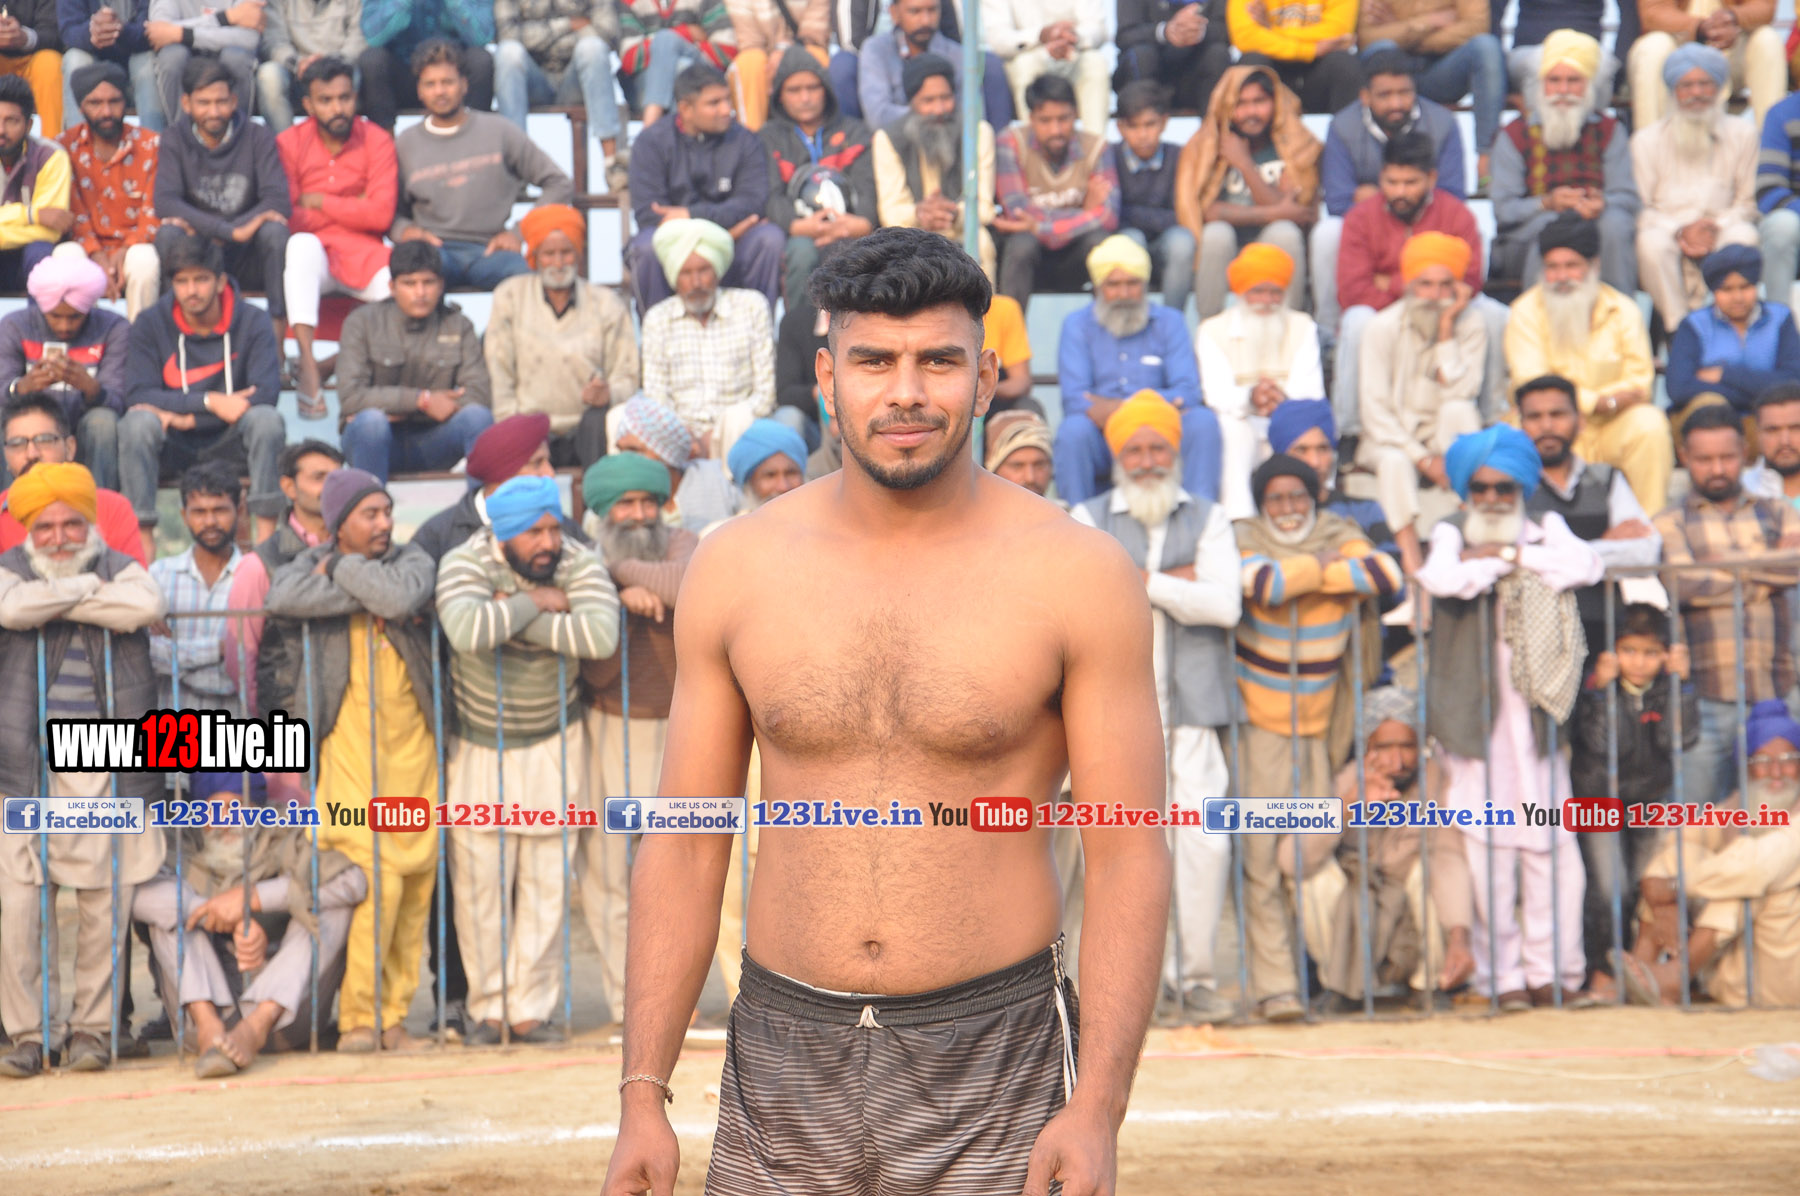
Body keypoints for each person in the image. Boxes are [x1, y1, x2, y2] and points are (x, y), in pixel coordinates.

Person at [599, 228, 1171, 1196]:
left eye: (938, 361)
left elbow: (1127, 852)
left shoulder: (1078, 575)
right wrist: (641, 1094)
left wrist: (1099, 1106)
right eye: (874, 361)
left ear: (986, 377)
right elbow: (688, 842)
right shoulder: (738, 567)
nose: (906, 392)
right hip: (783, 1056)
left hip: (998, 1058)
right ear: (827, 376)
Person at [1415, 425, 1602, 1010]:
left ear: (1521, 487)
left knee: (1552, 851)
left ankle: (1556, 973)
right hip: (1477, 721)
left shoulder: (1545, 526)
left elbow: (1585, 566)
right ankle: (1502, 979)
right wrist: (1507, 565)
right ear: (1466, 490)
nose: (1493, 498)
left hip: (1539, 717)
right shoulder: (1450, 530)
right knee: (1488, 853)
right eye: (1482, 488)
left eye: (1504, 488)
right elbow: (1442, 577)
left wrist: (1505, 556)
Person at [1068, 392, 1239, 1025]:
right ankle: (1138, 988)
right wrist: (1178, 581)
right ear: (1118, 455)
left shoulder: (1210, 518)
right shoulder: (1086, 518)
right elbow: (1084, 604)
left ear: (1175, 452)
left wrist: (1142, 583)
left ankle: (1195, 980)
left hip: (1192, 714)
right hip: (1116, 724)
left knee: (1204, 845)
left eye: (1157, 448)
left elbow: (1225, 606)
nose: (1146, 460)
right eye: (1134, 449)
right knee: (1127, 851)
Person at [258, 467, 440, 1053]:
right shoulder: (300, 567)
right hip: (349, 758)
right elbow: (283, 595)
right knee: (375, 883)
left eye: (387, 512)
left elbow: (400, 595)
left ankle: (393, 1019)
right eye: (370, 514)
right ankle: (361, 1019)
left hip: (417, 755)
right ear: (339, 524)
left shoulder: (413, 561)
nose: (385, 523)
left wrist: (338, 568)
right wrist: (362, 581)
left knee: (415, 887)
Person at [437, 474, 619, 1045]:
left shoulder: (577, 561)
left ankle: (529, 1012)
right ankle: (489, 1011)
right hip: (478, 745)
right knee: (480, 886)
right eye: (534, 532)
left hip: (552, 741)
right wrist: (539, 605)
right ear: (505, 534)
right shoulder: (464, 562)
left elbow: (599, 637)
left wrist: (512, 615)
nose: (549, 542)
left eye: (552, 529)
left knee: (546, 883)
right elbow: (466, 629)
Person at [0, 463, 164, 1078]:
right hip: (24, 767)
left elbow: (146, 603)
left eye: (72, 524)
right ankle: (29, 1036)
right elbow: (12, 609)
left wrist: (61, 598)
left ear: (89, 522)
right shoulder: (11, 570)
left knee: (103, 903)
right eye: (46, 527)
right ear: (28, 530)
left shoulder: (120, 566)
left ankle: (92, 1031)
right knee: (23, 911)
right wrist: (89, 595)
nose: (60, 537)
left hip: (100, 763)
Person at [1235, 454, 1399, 1011]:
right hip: (1261, 730)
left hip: (1322, 731)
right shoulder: (1246, 534)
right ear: (1263, 504)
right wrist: (1320, 571)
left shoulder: (1336, 530)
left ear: (1314, 497)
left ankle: (1330, 980)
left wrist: (1300, 574)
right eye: (1276, 498)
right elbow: (1261, 583)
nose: (1288, 508)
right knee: (1260, 861)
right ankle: (1276, 988)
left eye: (1297, 496)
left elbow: (1384, 575)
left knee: (1308, 857)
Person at [132, 771, 368, 1077]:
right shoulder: (179, 839)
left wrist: (254, 898)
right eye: (214, 810)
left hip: (285, 1020)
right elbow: (133, 894)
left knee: (330, 910)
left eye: (237, 808)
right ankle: (208, 1027)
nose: (226, 822)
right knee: (169, 915)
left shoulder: (284, 831)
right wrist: (219, 914)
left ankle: (255, 1027)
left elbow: (353, 881)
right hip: (205, 1014)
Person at [576, 451, 695, 1030]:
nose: (641, 514)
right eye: (626, 504)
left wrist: (620, 571)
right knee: (608, 872)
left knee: (679, 871)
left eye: (649, 501)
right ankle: (629, 1006)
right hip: (609, 727)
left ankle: (674, 1004)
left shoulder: (683, 543)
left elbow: (682, 583)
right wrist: (612, 587)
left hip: (684, 732)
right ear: (604, 510)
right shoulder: (582, 559)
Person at [1276, 685, 1477, 1008]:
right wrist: (1347, 805)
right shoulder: (1346, 778)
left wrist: (1459, 936)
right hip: (1355, 907)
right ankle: (1339, 987)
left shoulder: (1436, 780)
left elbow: (1449, 857)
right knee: (1311, 879)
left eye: (1407, 747)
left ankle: (1428, 985)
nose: (1396, 761)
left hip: (1408, 917)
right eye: (1384, 747)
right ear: (1366, 747)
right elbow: (1290, 861)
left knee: (1428, 870)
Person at [1654, 403, 1800, 814]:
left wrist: (1724, 569)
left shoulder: (1777, 510)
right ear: (1684, 457)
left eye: (1727, 457)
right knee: (1696, 820)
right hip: (1707, 698)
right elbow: (1683, 583)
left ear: (1745, 454)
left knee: (1784, 820)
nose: (1717, 468)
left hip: (1777, 692)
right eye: (1704, 459)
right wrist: (1765, 572)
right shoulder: (1669, 521)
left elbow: (1795, 566)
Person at [1623, 697, 1800, 1008]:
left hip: (1784, 979)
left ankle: (1675, 976)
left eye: (1788, 759)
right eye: (1762, 760)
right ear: (1746, 768)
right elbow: (1682, 839)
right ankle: (1645, 968)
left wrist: (1675, 887)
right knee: (1683, 856)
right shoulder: (1740, 806)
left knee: (1740, 881)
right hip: (1734, 980)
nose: (1776, 771)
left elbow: (1752, 869)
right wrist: (1659, 893)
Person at [119, 231, 284, 548]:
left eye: (201, 279)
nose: (191, 291)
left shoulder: (253, 320)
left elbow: (265, 393)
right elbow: (138, 394)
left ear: (220, 282)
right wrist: (211, 402)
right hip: (173, 443)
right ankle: (141, 545)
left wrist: (189, 417)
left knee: (266, 420)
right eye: (182, 281)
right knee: (137, 424)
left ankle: (266, 545)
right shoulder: (150, 323)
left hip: (232, 441)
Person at [1333, 132, 1504, 436]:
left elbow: (1470, 279)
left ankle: (1492, 418)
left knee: (1493, 315)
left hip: (1444, 307)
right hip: (1387, 315)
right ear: (1381, 178)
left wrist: (1392, 282)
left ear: (1431, 178)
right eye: (1391, 182)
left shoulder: (1456, 214)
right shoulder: (1360, 218)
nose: (1400, 192)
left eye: (1410, 183)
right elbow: (1353, 290)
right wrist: (1414, 293)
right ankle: (1350, 431)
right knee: (1357, 321)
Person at [1568, 604, 1698, 999]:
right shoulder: (1593, 688)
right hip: (1598, 799)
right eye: (1629, 651)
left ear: (1666, 654)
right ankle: (1603, 970)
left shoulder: (1668, 688)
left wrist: (1681, 685)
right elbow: (1606, 745)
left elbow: (1680, 739)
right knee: (1610, 889)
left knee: (1648, 887)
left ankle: (1642, 971)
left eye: (1650, 653)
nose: (1639, 663)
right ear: (1612, 652)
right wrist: (1602, 692)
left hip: (1650, 798)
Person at [1504, 216, 1670, 513]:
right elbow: (1532, 385)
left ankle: (1649, 526)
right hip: (1550, 425)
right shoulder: (1524, 312)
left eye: (1572, 266)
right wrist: (1601, 402)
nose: (1561, 276)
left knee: (1649, 424)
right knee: (1514, 430)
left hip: (1609, 428)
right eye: (1552, 267)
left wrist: (1600, 406)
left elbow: (1639, 385)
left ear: (1594, 265)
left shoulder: (1623, 310)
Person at [392, 39, 575, 291]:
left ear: (464, 85)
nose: (440, 91)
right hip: (433, 250)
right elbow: (387, 209)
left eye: (447, 82)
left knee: (527, 283)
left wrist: (520, 232)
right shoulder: (405, 143)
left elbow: (558, 183)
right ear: (419, 91)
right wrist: (405, 231)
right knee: (412, 277)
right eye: (430, 84)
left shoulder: (499, 131)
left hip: (491, 250)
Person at [1314, 51, 1467, 344]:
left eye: (1404, 93)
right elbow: (1338, 201)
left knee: (1467, 231)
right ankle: (1329, 335)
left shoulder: (1443, 122)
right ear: (1365, 96)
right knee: (1328, 232)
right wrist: (1395, 202)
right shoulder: (1342, 127)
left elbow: (1452, 197)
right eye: (1385, 95)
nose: (1396, 103)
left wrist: (1394, 281)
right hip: (1370, 234)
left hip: (1429, 232)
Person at [1354, 231, 1486, 568]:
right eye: (1425, 285)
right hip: (1389, 438)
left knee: (1460, 410)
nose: (1435, 296)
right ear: (1410, 285)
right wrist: (1423, 459)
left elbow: (1462, 392)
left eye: (1445, 286)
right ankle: (1412, 564)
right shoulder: (1381, 327)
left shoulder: (1470, 324)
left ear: (1458, 289)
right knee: (1395, 462)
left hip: (1442, 434)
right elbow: (1375, 413)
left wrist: (1446, 331)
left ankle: (1474, 535)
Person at [1053, 235, 1216, 506]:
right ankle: (1074, 518)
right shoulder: (1077, 325)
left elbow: (1188, 392)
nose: (1124, 294)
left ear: (1145, 285)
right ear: (1098, 287)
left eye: (1132, 284)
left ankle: (1201, 516)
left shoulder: (1171, 322)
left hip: (1161, 431)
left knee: (1202, 422)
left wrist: (1128, 407)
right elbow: (1076, 400)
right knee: (1073, 431)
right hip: (1104, 438)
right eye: (1113, 285)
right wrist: (1160, 402)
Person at [277, 55, 397, 416]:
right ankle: (308, 362)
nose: (337, 108)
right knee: (300, 246)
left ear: (355, 98)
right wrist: (353, 206)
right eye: (326, 100)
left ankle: (332, 363)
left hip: (365, 255)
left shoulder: (377, 140)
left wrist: (319, 201)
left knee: (403, 293)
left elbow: (381, 215)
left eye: (344, 98)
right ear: (308, 105)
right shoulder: (289, 143)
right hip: (317, 256)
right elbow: (289, 217)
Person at [1518, 374, 1664, 667]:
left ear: (1580, 421)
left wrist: (1555, 555)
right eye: (1535, 417)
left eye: (1557, 414)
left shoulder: (1607, 479)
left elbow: (1646, 552)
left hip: (1605, 641)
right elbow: (1516, 559)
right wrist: (1603, 545)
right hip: (1534, 645)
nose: (1547, 426)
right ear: (1520, 426)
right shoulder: (1509, 489)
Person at [488, 205, 641, 471]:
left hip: (587, 429)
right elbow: (499, 373)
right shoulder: (510, 297)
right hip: (529, 426)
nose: (558, 263)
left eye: (566, 253)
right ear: (535, 256)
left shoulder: (606, 303)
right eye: (549, 254)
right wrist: (511, 424)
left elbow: (628, 376)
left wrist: (608, 393)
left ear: (578, 254)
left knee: (600, 421)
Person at [1490, 29, 1640, 294]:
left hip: (1595, 221)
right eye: (1554, 80)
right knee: (1552, 228)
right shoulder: (1513, 134)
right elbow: (1505, 210)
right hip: (1531, 229)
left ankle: (1620, 313)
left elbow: (1626, 196)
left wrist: (1602, 202)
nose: (1563, 91)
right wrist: (1547, 203)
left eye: (1574, 81)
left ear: (1589, 85)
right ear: (1541, 85)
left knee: (1616, 225)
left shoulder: (1609, 130)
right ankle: (1537, 317)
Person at [625, 62, 782, 311]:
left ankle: (758, 327)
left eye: (727, 100)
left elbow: (753, 203)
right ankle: (655, 332)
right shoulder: (651, 142)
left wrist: (690, 214)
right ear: (685, 109)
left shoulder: (745, 140)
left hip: (734, 243)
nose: (726, 110)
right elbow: (649, 214)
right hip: (678, 246)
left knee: (768, 239)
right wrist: (724, 230)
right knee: (644, 248)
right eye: (714, 103)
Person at [335, 239, 494, 483]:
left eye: (428, 282)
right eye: (409, 283)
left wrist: (403, 409)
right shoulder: (362, 323)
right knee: (372, 422)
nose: (420, 293)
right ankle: (368, 503)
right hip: (374, 440)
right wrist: (423, 401)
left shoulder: (458, 325)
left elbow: (478, 393)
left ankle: (480, 505)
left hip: (436, 439)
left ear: (441, 285)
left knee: (478, 417)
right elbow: (351, 397)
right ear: (392, 286)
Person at [153, 56, 290, 335]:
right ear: (186, 103)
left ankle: (277, 344)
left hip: (246, 251)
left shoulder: (257, 136)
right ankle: (173, 341)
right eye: (204, 103)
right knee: (167, 235)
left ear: (234, 101)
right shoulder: (173, 138)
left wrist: (233, 233)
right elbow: (166, 201)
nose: (214, 111)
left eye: (221, 102)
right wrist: (226, 231)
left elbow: (277, 199)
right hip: (198, 251)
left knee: (275, 232)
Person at [1631, 45, 1760, 337]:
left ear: (1719, 88)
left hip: (1722, 226)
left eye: (1705, 84)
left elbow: (1748, 203)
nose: (1696, 93)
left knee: (1745, 237)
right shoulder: (1646, 140)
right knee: (1650, 243)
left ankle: (1728, 325)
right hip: (1667, 229)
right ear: (1673, 91)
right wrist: (1680, 231)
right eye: (1686, 85)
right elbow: (1640, 208)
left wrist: (1715, 227)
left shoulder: (1743, 134)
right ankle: (1679, 331)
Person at [1175, 64, 1318, 321]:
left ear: (1274, 102)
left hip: (1270, 240)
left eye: (1259, 101)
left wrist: (1244, 164)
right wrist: (1276, 211)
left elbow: (1293, 213)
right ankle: (1209, 329)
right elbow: (1209, 212)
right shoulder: (1208, 146)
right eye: (1240, 103)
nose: (1251, 112)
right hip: (1226, 247)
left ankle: (1292, 327)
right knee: (1216, 234)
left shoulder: (1292, 145)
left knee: (1285, 232)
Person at [1196, 243, 1324, 520]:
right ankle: (1240, 518)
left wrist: (1278, 400)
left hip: (1288, 421)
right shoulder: (1212, 330)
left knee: (1312, 424)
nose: (1267, 301)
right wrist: (1251, 398)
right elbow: (1215, 394)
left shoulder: (1302, 326)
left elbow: (1310, 391)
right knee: (1231, 428)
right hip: (1241, 421)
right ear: (1241, 292)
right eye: (1258, 291)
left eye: (1275, 292)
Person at [638, 218, 777, 461]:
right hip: (680, 436)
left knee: (737, 419)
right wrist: (687, 437)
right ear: (674, 277)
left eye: (704, 270)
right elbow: (657, 397)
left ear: (717, 272)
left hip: (739, 431)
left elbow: (765, 395)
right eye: (686, 273)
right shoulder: (658, 319)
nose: (696, 283)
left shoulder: (751, 306)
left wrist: (717, 435)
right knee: (620, 417)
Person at [222, 438, 343, 706]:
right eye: (319, 478)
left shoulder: (354, 550)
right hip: (287, 708)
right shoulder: (260, 563)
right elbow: (240, 658)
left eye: (337, 479)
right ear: (289, 487)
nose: (331, 488)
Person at [0, 255, 129, 492]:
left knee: (103, 421)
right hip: (30, 423)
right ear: (42, 308)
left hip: (84, 426)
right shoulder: (14, 326)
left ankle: (98, 505)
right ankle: (10, 505)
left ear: (89, 307)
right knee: (7, 420)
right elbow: (3, 388)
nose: (65, 326)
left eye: (75, 316)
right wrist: (22, 387)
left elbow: (120, 401)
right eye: (55, 316)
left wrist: (91, 388)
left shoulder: (114, 328)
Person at [759, 44, 876, 304]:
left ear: (827, 89)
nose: (805, 97)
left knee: (854, 255)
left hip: (850, 227)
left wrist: (861, 222)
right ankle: (799, 328)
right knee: (801, 255)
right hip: (798, 232)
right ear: (780, 96)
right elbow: (770, 194)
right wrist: (799, 226)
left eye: (813, 87)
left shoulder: (855, 131)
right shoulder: (768, 137)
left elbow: (867, 185)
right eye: (794, 90)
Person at [993, 73, 1119, 312]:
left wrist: (1040, 227)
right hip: (1031, 257)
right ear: (1031, 118)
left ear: (1076, 114)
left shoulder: (1096, 147)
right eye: (1045, 120)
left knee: (1100, 242)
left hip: (1074, 257)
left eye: (1064, 118)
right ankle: (1011, 333)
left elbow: (1108, 216)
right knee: (1022, 244)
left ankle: (1107, 328)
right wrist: (1085, 212)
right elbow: (1018, 212)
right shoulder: (1011, 143)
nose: (1056, 130)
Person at [870, 51, 996, 278]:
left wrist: (953, 214)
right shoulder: (887, 138)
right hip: (912, 234)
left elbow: (985, 208)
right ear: (911, 102)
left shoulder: (978, 132)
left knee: (982, 241)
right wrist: (920, 213)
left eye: (945, 98)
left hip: (961, 229)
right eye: (928, 101)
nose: (939, 110)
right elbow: (890, 212)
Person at [1353, 2, 1503, 184]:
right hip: (1393, 71)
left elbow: (1476, 28)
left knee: (1486, 47)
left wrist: (1403, 32)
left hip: (1444, 71)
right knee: (1381, 48)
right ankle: (1380, 170)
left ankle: (1487, 160)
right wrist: (1426, 23)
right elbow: (1368, 39)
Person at [56, 60, 161, 320]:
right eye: (95, 103)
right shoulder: (63, 147)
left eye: (114, 101)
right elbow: (73, 214)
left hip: (135, 246)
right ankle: (87, 340)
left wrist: (125, 250)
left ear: (126, 102)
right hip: (86, 246)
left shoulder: (151, 145)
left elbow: (153, 210)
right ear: (80, 107)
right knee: (65, 255)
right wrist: (98, 257)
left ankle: (140, 340)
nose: (106, 111)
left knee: (145, 260)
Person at [411, 413, 588, 565]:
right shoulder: (438, 535)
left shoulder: (564, 528)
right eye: (537, 463)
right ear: (502, 473)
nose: (549, 474)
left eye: (549, 462)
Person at [147, 460, 244, 712]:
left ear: (239, 510)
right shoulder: (160, 576)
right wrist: (219, 650)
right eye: (199, 512)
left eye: (220, 510)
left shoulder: (254, 578)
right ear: (184, 516)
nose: (210, 521)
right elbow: (149, 655)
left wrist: (179, 662)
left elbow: (252, 660)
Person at [1270, 398, 1410, 570]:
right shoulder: (1266, 517)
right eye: (1301, 450)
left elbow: (1390, 574)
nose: (1315, 462)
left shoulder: (1364, 511)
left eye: (1323, 449)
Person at [1665, 245, 1800, 423]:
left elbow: (1793, 381)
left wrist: (1725, 375)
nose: (1738, 297)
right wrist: (1758, 393)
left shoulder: (1780, 318)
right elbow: (1679, 388)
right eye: (1727, 289)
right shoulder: (1694, 325)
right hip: (1710, 427)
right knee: (1709, 403)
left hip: (1767, 422)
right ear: (1713, 291)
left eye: (1745, 287)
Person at [0, 393, 142, 560]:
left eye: (44, 440)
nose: (32, 454)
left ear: (69, 448)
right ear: (5, 455)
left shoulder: (113, 509)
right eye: (17, 443)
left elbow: (131, 576)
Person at [494, 0, 622, 182]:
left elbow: (608, 33)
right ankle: (514, 168)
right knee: (508, 53)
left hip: (577, 79)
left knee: (593, 48)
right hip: (533, 80)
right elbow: (507, 34)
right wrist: (567, 25)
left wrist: (537, 35)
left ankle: (613, 165)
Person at [855, 0, 1011, 133]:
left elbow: (972, 117)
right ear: (894, 13)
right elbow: (878, 116)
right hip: (899, 143)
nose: (925, 21)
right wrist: (932, 114)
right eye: (915, 12)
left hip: (950, 145)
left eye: (932, 10)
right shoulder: (876, 50)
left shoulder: (957, 55)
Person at [1629, 0, 1783, 130]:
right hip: (1679, 45)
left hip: (1733, 45)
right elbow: (1654, 12)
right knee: (1653, 47)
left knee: (1767, 39)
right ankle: (1650, 147)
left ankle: (1772, 144)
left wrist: (1733, 17)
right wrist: (1699, 27)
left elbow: (1764, 6)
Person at [1114, 80, 1193, 321]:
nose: (1143, 135)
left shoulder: (1179, 156)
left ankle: (1172, 323)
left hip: (1166, 245)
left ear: (1164, 122)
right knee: (1132, 240)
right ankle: (1133, 322)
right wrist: (1158, 218)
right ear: (1120, 127)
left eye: (1150, 124)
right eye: (1133, 126)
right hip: (1127, 242)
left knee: (1182, 241)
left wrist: (1133, 213)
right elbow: (1112, 214)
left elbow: (1183, 214)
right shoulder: (1109, 156)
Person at [357, 0, 495, 132]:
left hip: (452, 75)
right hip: (404, 77)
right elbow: (374, 38)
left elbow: (481, 38)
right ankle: (384, 142)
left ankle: (474, 138)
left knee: (480, 60)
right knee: (372, 61)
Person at [609, 392, 740, 531]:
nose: (625, 459)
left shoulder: (718, 480)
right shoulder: (617, 497)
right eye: (621, 451)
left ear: (665, 454)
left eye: (634, 451)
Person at [983, 0, 1108, 135]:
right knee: (1025, 65)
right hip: (1027, 53)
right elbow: (998, 39)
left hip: (1072, 50)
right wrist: (1041, 35)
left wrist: (1071, 37)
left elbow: (1097, 28)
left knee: (1095, 63)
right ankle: (1030, 144)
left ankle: (1096, 144)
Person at [1225, 0, 1361, 114]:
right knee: (1251, 63)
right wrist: (1310, 50)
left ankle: (1346, 135)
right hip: (1273, 66)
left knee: (1344, 64)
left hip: (1320, 69)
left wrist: (1270, 29)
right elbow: (1245, 37)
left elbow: (1338, 34)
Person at [0, 74, 72, 290]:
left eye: (11, 121)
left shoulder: (51, 156)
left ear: (29, 125)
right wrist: (32, 215)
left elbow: (51, 230)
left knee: (40, 252)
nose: (1, 130)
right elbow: (42, 220)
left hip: (29, 254)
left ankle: (39, 314)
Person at [617, 0, 736, 129]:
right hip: (643, 84)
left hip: (701, 76)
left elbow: (727, 52)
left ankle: (650, 126)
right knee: (671, 49)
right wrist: (685, 33)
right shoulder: (631, 2)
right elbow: (629, 59)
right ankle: (680, 137)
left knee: (682, 66)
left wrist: (660, 45)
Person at [256, 0, 365, 132]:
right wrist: (298, 63)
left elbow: (358, 38)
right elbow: (274, 42)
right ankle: (285, 142)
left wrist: (331, 62)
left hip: (339, 68)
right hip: (296, 72)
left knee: (354, 73)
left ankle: (345, 138)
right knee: (269, 74)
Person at [58, 0, 163, 133]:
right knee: (75, 59)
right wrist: (92, 31)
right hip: (92, 62)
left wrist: (120, 30)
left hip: (135, 62)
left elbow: (153, 27)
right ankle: (78, 140)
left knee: (146, 60)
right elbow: (68, 30)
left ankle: (154, 141)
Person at [725, 0, 829, 133]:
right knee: (749, 62)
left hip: (804, 47)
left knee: (818, 55)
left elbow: (814, 33)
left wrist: (784, 51)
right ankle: (752, 135)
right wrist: (772, 64)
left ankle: (825, 134)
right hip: (764, 57)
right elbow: (749, 41)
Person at [1114, 0, 1231, 116]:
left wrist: (1198, 30)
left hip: (1194, 75)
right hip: (1151, 72)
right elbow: (1125, 35)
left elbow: (1228, 31)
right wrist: (1164, 31)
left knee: (1218, 54)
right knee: (1141, 56)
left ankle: (1212, 125)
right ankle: (1142, 125)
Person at [1756, 88, 1800, 313]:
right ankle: (1779, 321)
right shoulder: (1783, 114)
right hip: (1797, 222)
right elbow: (1768, 188)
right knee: (1782, 226)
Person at [724, 417, 807, 512]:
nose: (784, 487)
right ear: (750, 483)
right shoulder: (733, 522)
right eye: (770, 475)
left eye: (791, 473)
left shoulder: (820, 520)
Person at [984, 408, 1054, 499]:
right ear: (993, 470)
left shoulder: (1063, 508)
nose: (1030, 478)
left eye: (1039, 465)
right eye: (1017, 466)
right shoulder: (973, 508)